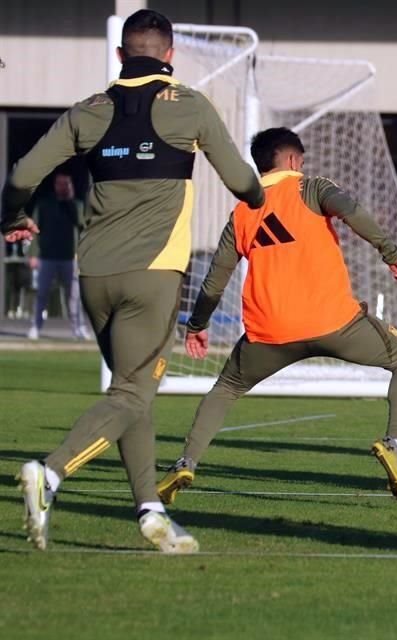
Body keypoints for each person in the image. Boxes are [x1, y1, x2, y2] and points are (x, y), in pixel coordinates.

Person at [1, 9, 264, 553]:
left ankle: (151, 513)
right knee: (130, 392)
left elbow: (23, 176)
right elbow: (243, 182)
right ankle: (48, 476)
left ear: (121, 56)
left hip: (93, 274)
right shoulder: (189, 105)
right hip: (154, 276)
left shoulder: (88, 111)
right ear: (169, 55)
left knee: (132, 395)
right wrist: (261, 197)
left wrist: (11, 219)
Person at [157, 127, 397, 506]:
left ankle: (186, 462)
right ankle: (395, 445)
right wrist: (391, 252)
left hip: (268, 334)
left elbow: (215, 279)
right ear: (294, 160)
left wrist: (197, 325)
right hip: (333, 322)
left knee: (226, 389)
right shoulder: (311, 187)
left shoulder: (242, 212)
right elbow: (351, 212)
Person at [25, 170, 91, 341]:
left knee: (74, 297)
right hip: (47, 257)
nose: (63, 187)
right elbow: (35, 230)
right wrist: (33, 254)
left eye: (66, 184)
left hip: (70, 259)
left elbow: (83, 225)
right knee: (42, 294)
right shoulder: (44, 204)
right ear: (55, 185)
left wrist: (69, 201)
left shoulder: (77, 205)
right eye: (60, 184)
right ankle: (35, 326)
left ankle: (78, 328)